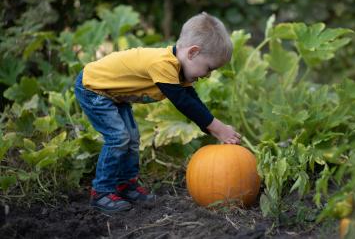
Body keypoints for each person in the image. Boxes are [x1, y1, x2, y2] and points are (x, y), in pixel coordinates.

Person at [74, 12, 241, 213]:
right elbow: (182, 102)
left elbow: (192, 99)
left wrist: (212, 128)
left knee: (132, 138)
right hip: (93, 88)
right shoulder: (162, 64)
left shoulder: (179, 69)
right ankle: (101, 192)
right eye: (208, 68)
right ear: (193, 52)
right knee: (118, 138)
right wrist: (217, 126)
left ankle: (125, 185)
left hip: (113, 94)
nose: (207, 75)